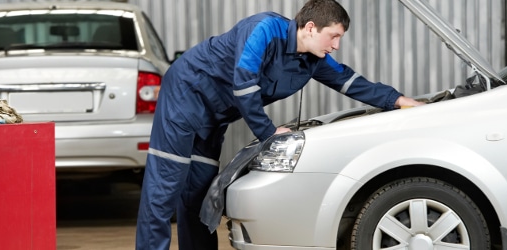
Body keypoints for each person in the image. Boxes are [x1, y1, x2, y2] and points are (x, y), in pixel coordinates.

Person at [135, 0, 424, 249]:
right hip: (186, 96)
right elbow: (244, 85)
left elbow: (349, 81)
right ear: (310, 27)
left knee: (197, 193)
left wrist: (398, 99)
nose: (336, 46)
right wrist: (268, 133)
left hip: (216, 116)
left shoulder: (313, 58)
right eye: (333, 36)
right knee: (165, 188)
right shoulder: (263, 29)